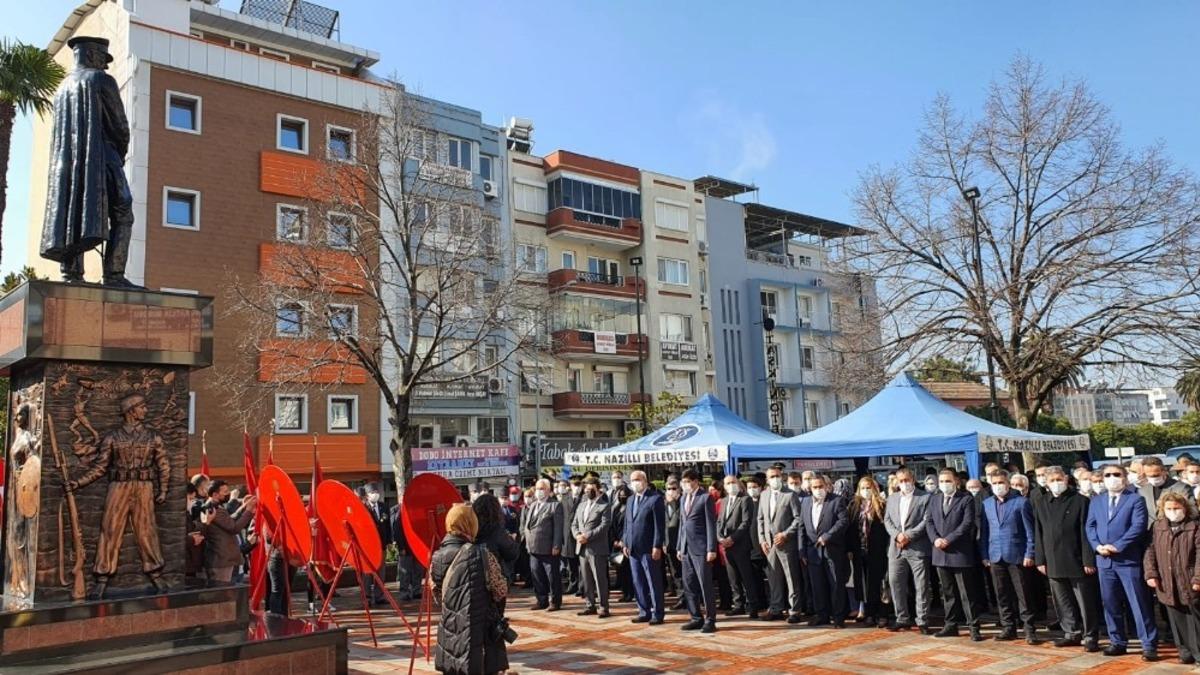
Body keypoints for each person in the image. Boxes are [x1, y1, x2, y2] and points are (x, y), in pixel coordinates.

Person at [1086, 463, 1159, 661]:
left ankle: (1148, 644)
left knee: (1138, 603)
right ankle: (1117, 641)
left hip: (1127, 560)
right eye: (1107, 475)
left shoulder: (1135, 500)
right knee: (1110, 603)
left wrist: (1118, 545)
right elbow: (1090, 526)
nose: (1111, 478)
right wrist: (1097, 545)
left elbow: (1138, 527)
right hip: (1104, 561)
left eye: (1116, 474)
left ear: (1125, 478)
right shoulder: (1097, 500)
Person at [431, 504, 509, 675]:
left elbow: (438, 595)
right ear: (470, 524)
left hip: (450, 631)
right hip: (481, 633)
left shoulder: (436, 557)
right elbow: (500, 590)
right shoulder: (482, 554)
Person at [1035, 466, 1102, 652]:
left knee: (1085, 601)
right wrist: (1040, 558)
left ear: (1066, 479)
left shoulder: (1080, 501)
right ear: (1047, 484)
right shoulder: (1041, 503)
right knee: (1062, 600)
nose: (1057, 483)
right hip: (1053, 558)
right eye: (1052, 480)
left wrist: (1088, 560)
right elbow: (1038, 532)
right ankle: (1071, 632)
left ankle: (1090, 635)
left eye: (1059, 479)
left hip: (1077, 559)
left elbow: (1085, 532)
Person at [978, 469, 1037, 644]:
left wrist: (1029, 553)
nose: (998, 486)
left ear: (1008, 483)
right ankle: (1008, 627)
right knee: (1001, 594)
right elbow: (985, 531)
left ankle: (1029, 630)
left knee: (1023, 594)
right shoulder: (987, 504)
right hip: (995, 555)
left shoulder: (1021, 502)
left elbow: (1029, 531)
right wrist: (984, 554)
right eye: (994, 483)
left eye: (1001, 483)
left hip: (1017, 554)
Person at [928, 468, 984, 641]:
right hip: (940, 553)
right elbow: (929, 521)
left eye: (948, 481)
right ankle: (950, 624)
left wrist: (949, 539)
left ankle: (974, 627)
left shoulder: (966, 499)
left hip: (959, 552)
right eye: (942, 481)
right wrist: (935, 539)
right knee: (948, 592)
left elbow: (967, 524)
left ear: (956, 482)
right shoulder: (935, 499)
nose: (945, 484)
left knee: (966, 592)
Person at [1144, 491, 1200, 665]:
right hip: (1167, 580)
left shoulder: (1194, 526)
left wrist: (1198, 578)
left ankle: (1198, 652)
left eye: (1177, 508)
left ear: (1185, 507)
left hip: (1188, 580)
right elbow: (1150, 550)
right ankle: (1184, 650)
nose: (1173, 511)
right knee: (1175, 618)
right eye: (1169, 508)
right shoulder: (1158, 526)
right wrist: (1151, 573)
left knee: (1194, 618)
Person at [798, 474, 850, 628]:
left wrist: (828, 536)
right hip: (812, 552)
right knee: (817, 586)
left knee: (836, 584)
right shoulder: (806, 502)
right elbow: (801, 527)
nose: (818, 490)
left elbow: (843, 521)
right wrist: (801, 552)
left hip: (832, 550)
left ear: (827, 486)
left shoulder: (836, 500)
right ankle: (822, 615)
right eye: (815, 487)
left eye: (821, 486)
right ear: (810, 489)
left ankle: (838, 617)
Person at [885, 468, 932, 634]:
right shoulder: (892, 498)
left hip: (917, 548)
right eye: (901, 481)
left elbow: (926, 521)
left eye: (907, 480)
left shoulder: (925, 497)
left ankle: (922, 620)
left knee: (921, 585)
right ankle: (902, 618)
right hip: (896, 548)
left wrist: (908, 536)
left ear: (913, 479)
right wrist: (898, 536)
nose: (904, 483)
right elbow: (887, 520)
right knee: (896, 583)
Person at [757, 466, 804, 623]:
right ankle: (776, 608)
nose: (775, 479)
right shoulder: (764, 495)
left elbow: (798, 518)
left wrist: (786, 534)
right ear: (767, 479)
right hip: (769, 544)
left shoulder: (790, 495)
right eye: (771, 477)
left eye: (777, 476)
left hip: (786, 543)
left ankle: (794, 610)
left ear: (782, 477)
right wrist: (762, 539)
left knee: (792, 577)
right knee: (773, 578)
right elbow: (761, 519)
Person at [676, 469, 718, 633]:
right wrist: (680, 545)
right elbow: (682, 524)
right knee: (689, 584)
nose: (685, 485)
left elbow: (710, 524)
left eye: (688, 481)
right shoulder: (683, 498)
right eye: (683, 482)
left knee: (705, 584)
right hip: (686, 548)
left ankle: (710, 619)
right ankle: (695, 616)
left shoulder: (705, 497)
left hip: (701, 548)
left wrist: (711, 548)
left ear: (695, 481)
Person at [623, 470, 667, 625]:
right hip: (633, 548)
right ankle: (644, 611)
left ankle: (658, 613)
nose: (635, 482)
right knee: (638, 581)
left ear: (645, 481)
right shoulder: (630, 500)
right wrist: (625, 542)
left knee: (653, 582)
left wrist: (657, 545)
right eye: (632, 480)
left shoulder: (655, 499)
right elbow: (627, 524)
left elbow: (659, 526)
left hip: (648, 548)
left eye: (637, 479)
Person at [718, 475, 761, 618]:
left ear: (738, 484)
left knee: (746, 577)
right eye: (728, 483)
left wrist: (732, 538)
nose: (731, 485)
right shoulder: (723, 501)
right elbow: (719, 522)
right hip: (727, 546)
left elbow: (746, 522)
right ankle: (738, 605)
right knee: (733, 578)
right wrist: (720, 538)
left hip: (741, 545)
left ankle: (752, 605)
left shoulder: (745, 499)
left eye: (733, 482)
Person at [851, 476, 890, 627]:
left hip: (878, 551)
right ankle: (869, 613)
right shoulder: (854, 506)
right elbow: (851, 529)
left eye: (868, 488)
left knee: (880, 583)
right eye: (863, 488)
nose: (866, 491)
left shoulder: (881, 505)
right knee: (864, 585)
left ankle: (883, 614)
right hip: (860, 551)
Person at [201, 480, 257, 583]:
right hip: (221, 559)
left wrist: (244, 506)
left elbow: (229, 519)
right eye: (225, 492)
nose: (228, 494)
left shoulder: (217, 506)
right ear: (215, 494)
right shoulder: (212, 508)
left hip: (224, 558)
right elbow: (233, 528)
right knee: (221, 594)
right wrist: (248, 511)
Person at [521, 478, 564, 611]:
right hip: (533, 548)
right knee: (537, 575)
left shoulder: (555, 505)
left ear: (549, 490)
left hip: (548, 548)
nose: (539, 491)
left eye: (542, 489)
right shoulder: (533, 505)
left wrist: (556, 545)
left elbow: (558, 528)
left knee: (552, 576)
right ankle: (541, 600)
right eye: (537, 488)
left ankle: (555, 601)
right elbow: (528, 525)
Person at [472, 493, 521, 608]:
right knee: (495, 613)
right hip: (494, 580)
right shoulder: (496, 530)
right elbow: (512, 553)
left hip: (474, 579)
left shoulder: (470, 529)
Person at [572, 477, 611, 618]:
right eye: (586, 489)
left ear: (598, 489)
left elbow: (604, 526)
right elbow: (574, 524)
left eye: (591, 489)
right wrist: (577, 535)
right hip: (582, 547)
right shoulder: (581, 505)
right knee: (586, 579)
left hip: (597, 548)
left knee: (599, 578)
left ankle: (603, 606)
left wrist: (587, 536)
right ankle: (590, 605)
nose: (589, 492)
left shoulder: (604, 505)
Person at [364, 485, 392, 605]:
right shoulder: (363, 508)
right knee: (367, 572)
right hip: (368, 546)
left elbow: (387, 526)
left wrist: (389, 541)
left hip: (381, 544)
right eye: (372, 492)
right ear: (367, 495)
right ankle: (367, 597)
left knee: (381, 572)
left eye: (376, 491)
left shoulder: (383, 506)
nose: (375, 494)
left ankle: (379, 595)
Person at [610, 485, 635, 602]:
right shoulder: (616, 508)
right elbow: (612, 526)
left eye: (625, 495)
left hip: (628, 543)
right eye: (620, 495)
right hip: (617, 544)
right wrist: (614, 540)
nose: (622, 497)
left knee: (630, 570)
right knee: (620, 570)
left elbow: (631, 527)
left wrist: (624, 541)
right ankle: (625, 592)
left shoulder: (632, 507)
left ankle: (631, 593)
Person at [556, 479, 580, 596]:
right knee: (571, 563)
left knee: (581, 563)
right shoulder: (564, 499)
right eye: (574, 485)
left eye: (578, 485)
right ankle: (573, 584)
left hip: (580, 534)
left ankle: (582, 586)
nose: (576, 487)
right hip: (567, 534)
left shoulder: (584, 498)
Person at [664, 480, 683, 600]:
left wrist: (673, 503)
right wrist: (663, 543)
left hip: (680, 544)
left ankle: (689, 598)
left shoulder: (683, 502)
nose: (671, 491)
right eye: (669, 489)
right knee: (674, 573)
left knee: (684, 573)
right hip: (669, 544)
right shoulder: (664, 504)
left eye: (674, 488)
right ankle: (681, 596)